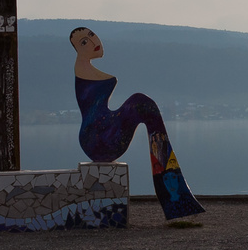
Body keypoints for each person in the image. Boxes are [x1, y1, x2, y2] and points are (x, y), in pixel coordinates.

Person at [69, 27, 206, 220]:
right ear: (77, 49)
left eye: (92, 36)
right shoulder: (83, 69)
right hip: (98, 137)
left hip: (100, 133)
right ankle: (172, 189)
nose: (92, 42)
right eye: (84, 42)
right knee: (143, 104)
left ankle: (171, 187)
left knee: (144, 105)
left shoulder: (85, 68)